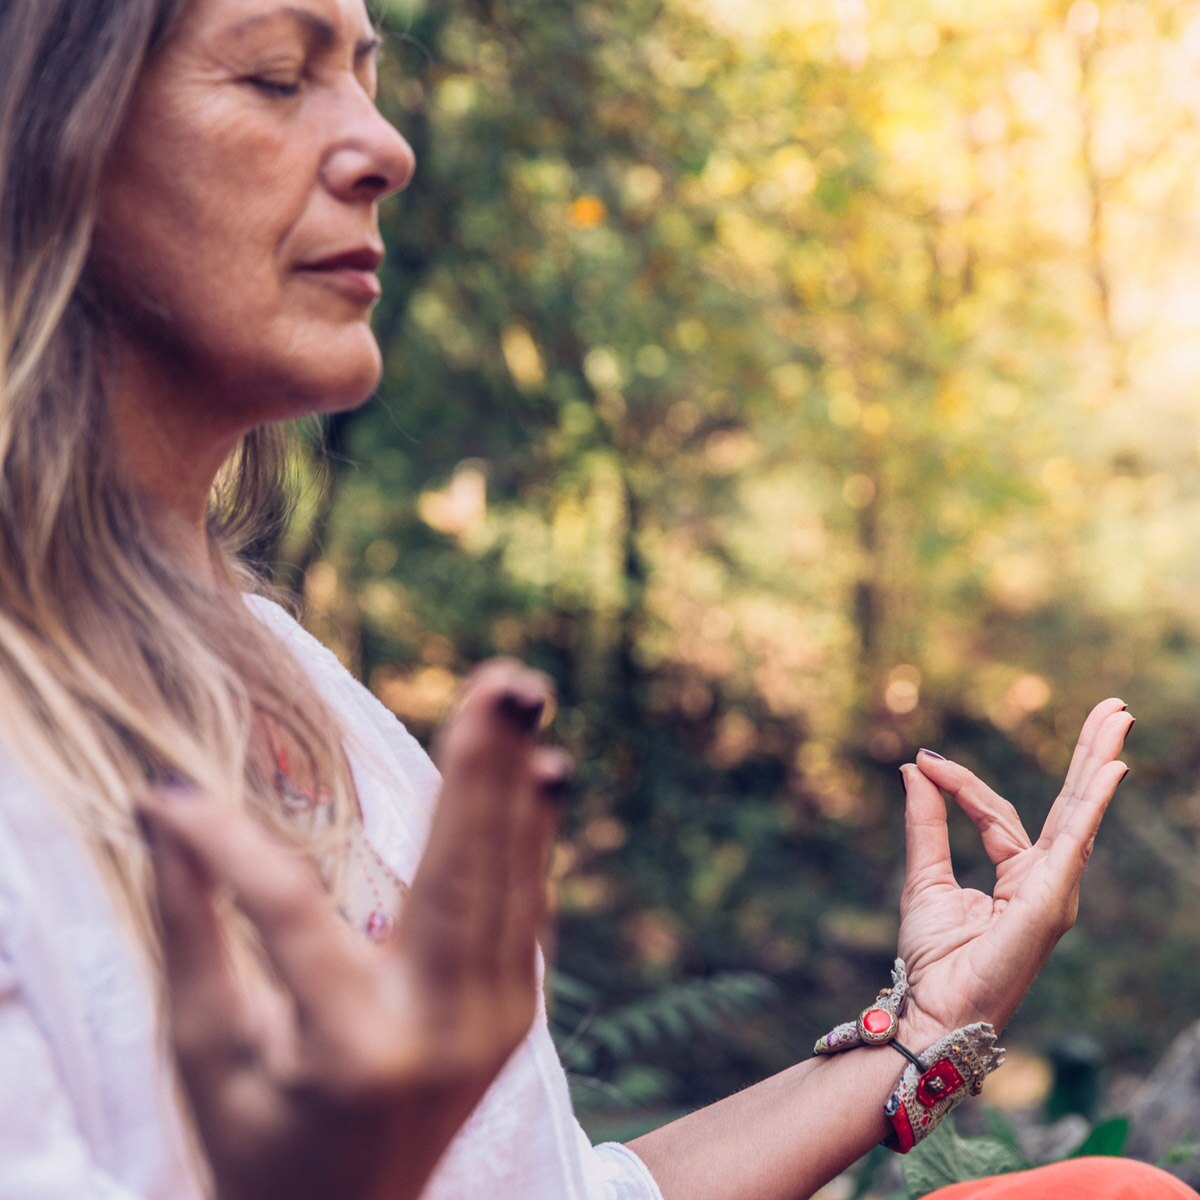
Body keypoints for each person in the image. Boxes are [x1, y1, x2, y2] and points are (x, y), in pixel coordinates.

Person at [0, 0, 1192, 1196]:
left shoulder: (292, 679)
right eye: (273, 76)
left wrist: (933, 1024)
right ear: (42, 133)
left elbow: (559, 1187)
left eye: (366, 75)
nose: (384, 145)